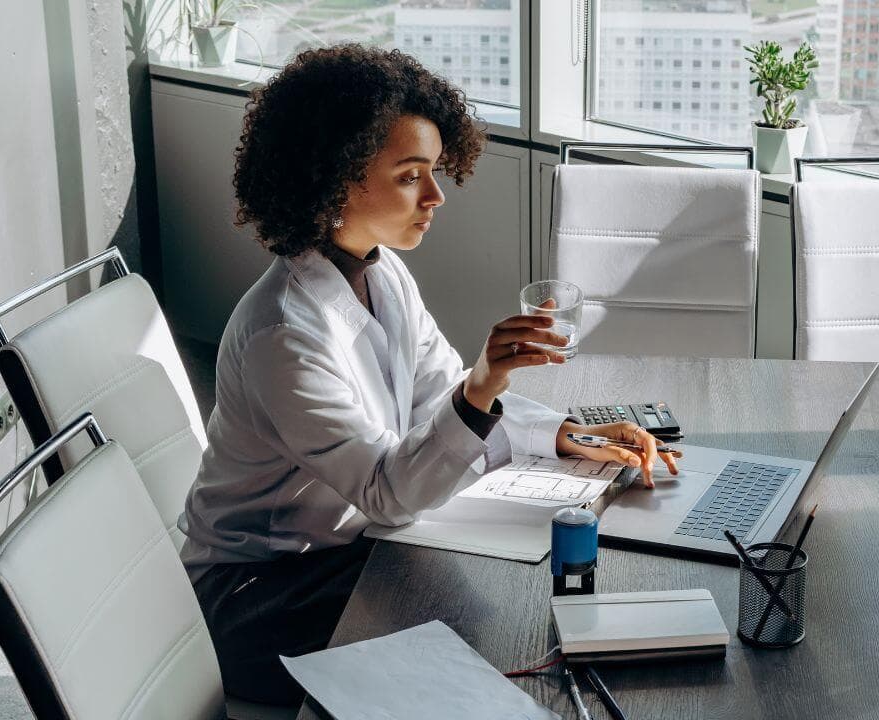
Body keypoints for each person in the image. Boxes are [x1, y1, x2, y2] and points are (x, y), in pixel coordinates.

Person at [176, 44, 681, 705]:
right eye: (412, 175)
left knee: (503, 597)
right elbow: (386, 489)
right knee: (493, 626)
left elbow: (441, 395)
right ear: (335, 175)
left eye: (436, 171)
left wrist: (565, 435)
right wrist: (483, 385)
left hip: (344, 552)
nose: (437, 196)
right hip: (255, 599)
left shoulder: (379, 272)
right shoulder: (284, 333)